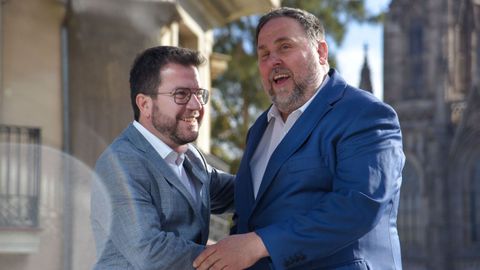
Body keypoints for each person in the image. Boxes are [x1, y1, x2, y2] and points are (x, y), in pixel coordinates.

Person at [193, 7, 405, 270]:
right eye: (264, 54)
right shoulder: (260, 128)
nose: (273, 61)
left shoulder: (366, 115)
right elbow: (249, 217)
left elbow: (357, 207)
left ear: (321, 52)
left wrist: (259, 244)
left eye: (285, 47)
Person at [91, 46, 234, 269]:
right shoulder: (120, 164)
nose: (197, 105)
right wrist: (234, 258)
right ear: (145, 104)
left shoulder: (191, 156)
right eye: (181, 94)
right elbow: (151, 252)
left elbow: (240, 192)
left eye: (199, 94)